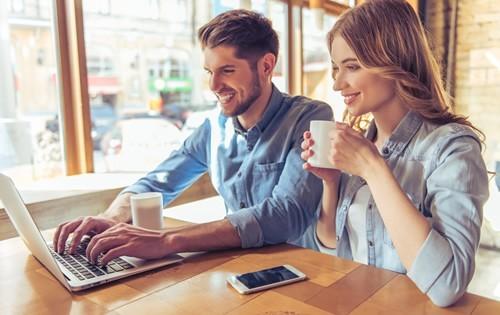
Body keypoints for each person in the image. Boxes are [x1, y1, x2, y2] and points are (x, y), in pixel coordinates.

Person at [53, 10, 332, 265]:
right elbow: (159, 181)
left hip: (303, 273)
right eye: (210, 72)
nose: (213, 85)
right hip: (240, 271)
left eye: (227, 70)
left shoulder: (310, 117)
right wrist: (109, 219)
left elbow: (285, 215)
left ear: (266, 66)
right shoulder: (214, 126)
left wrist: (168, 241)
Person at [300, 0, 488, 307]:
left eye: (352, 66)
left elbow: (447, 286)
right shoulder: (361, 145)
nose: (337, 83)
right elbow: (334, 250)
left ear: (393, 61)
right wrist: (331, 183)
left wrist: (373, 170)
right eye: (336, 68)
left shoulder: (452, 149)